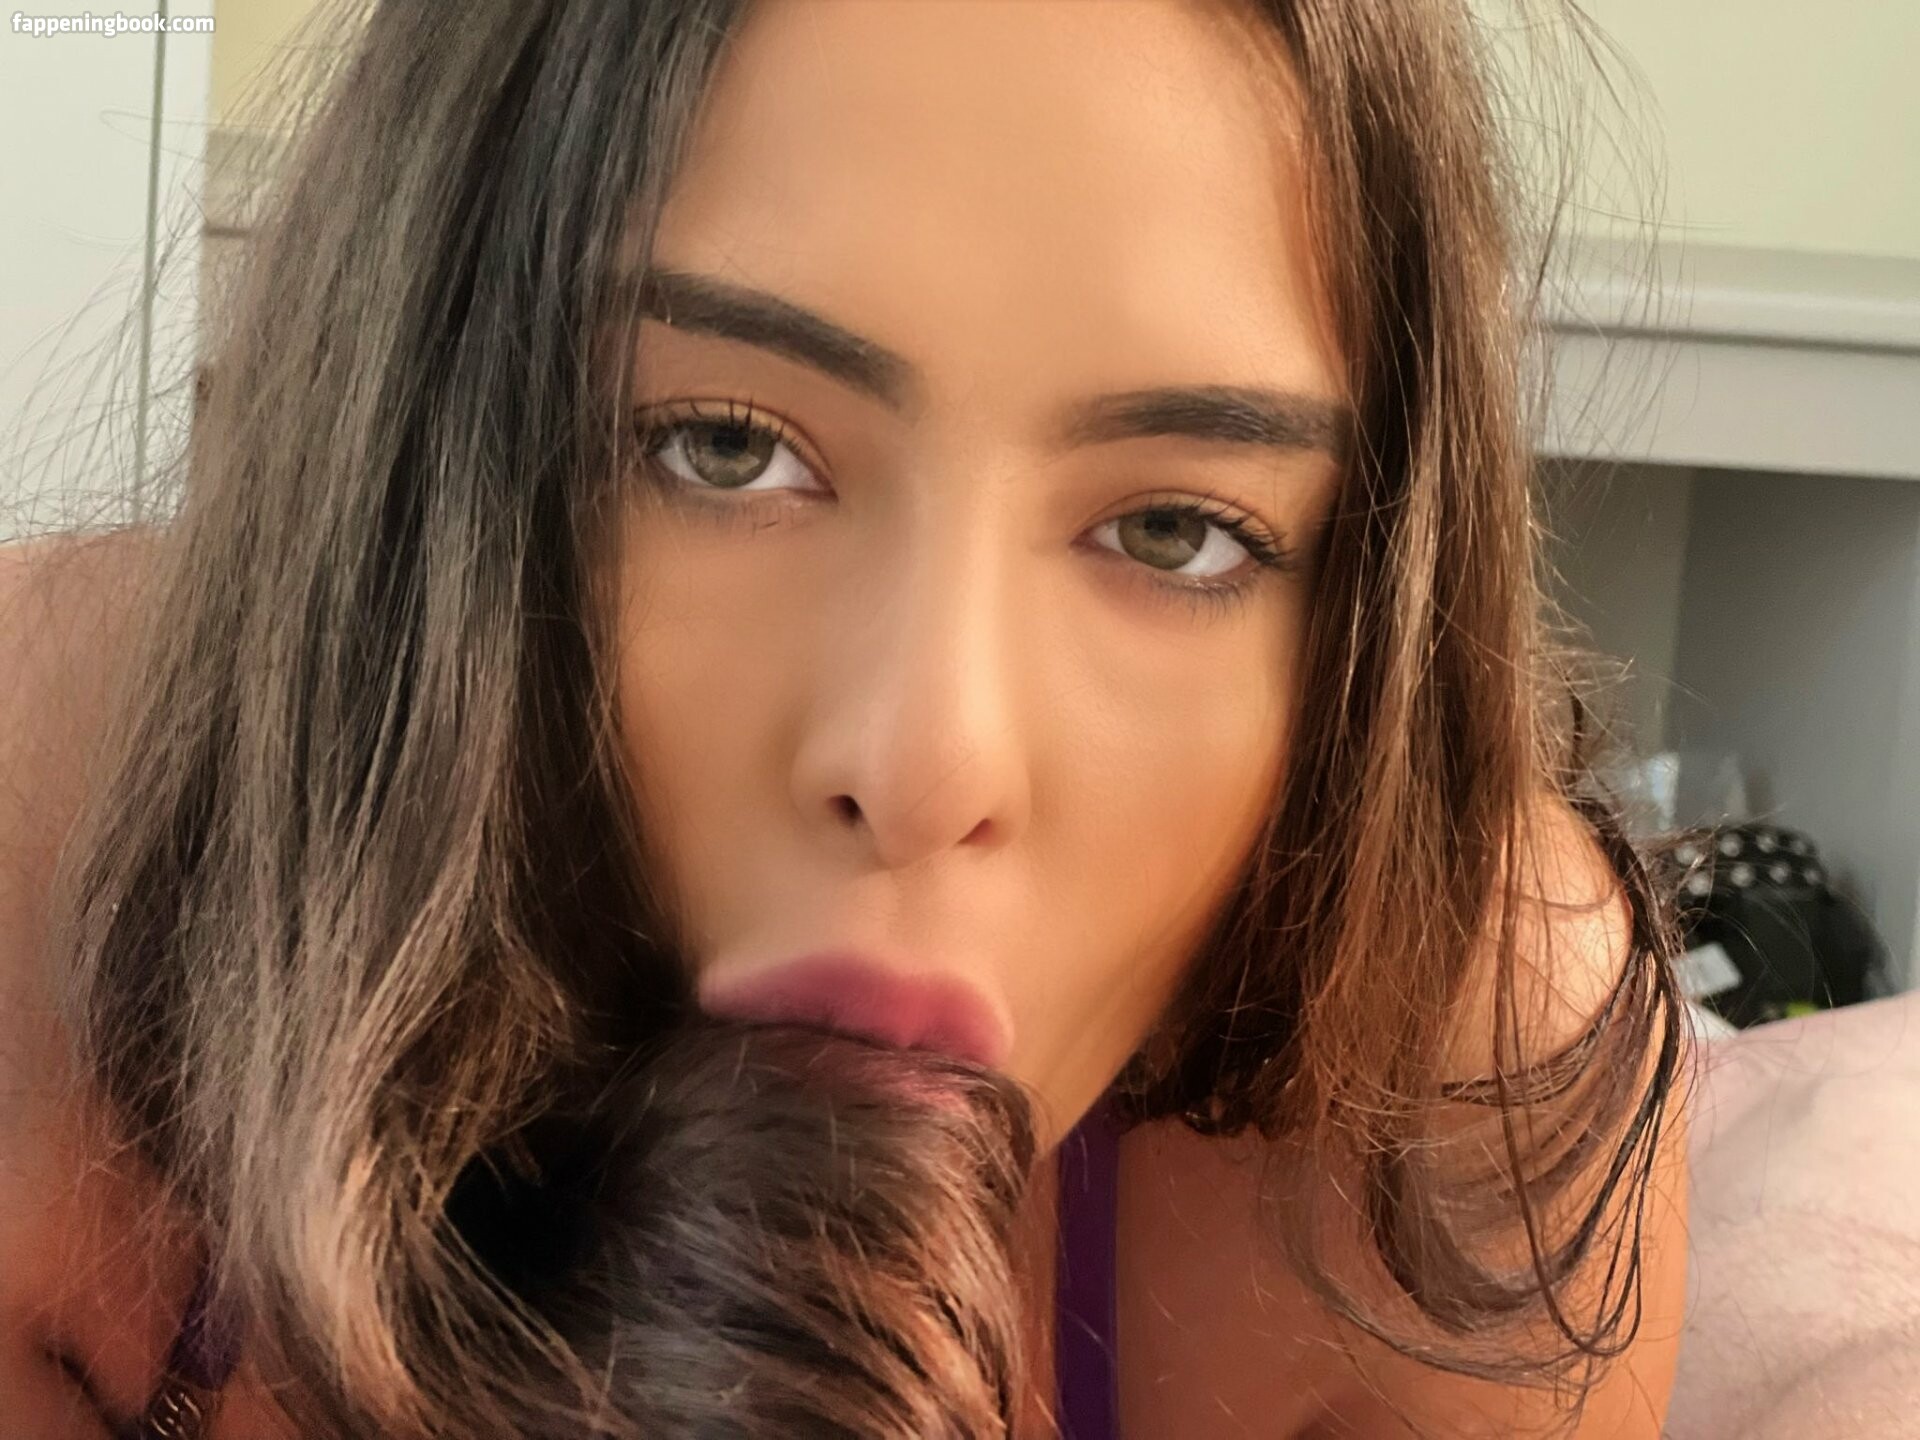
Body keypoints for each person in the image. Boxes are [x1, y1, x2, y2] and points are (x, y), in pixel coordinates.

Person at [0, 0, 1693, 1435]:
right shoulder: (46, 829)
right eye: (725, 448)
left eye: (1177, 532)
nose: (923, 762)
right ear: (421, 426)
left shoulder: (1457, 1106)